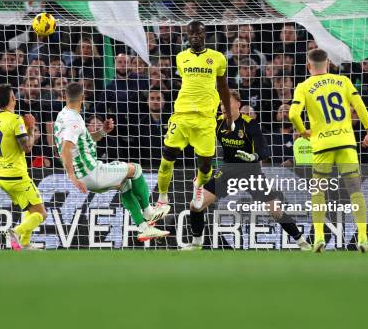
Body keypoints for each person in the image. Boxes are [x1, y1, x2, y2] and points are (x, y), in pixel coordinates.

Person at [182, 91, 311, 250]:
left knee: (275, 211)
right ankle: (196, 243)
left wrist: (253, 156)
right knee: (196, 205)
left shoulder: (250, 124)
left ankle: (302, 242)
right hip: (227, 171)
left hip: (251, 172)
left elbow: (264, 151)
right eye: (222, 103)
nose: (223, 106)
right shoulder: (217, 123)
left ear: (238, 104)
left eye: (227, 103)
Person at [54, 82, 170, 242]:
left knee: (125, 185)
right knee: (135, 169)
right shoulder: (73, 119)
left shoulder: (63, 115)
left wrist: (102, 131)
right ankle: (148, 211)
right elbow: (66, 148)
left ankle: (144, 228)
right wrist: (71, 176)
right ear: (82, 97)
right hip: (91, 172)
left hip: (87, 174)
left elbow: (82, 141)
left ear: (66, 96)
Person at [288, 49, 368, 252]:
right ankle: (362, 238)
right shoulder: (343, 81)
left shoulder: (303, 86)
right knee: (355, 190)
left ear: (309, 66)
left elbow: (292, 114)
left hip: (322, 145)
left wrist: (303, 132)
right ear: (328, 63)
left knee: (319, 192)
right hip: (346, 142)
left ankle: (319, 238)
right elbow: (359, 105)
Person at [154, 20, 233, 211]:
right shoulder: (181, 57)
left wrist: (228, 113)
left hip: (206, 118)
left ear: (204, 35)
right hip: (181, 116)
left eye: (199, 33)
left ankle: (199, 185)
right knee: (166, 159)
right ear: (187, 36)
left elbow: (222, 86)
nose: (195, 36)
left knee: (206, 167)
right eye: (192, 34)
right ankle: (162, 198)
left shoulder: (218, 58)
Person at [0, 84, 47, 251]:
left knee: (30, 206)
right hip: (16, 175)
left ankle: (25, 243)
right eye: (14, 96)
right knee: (41, 214)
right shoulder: (15, 120)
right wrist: (31, 128)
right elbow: (27, 147)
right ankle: (15, 232)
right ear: (12, 99)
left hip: (0, 174)